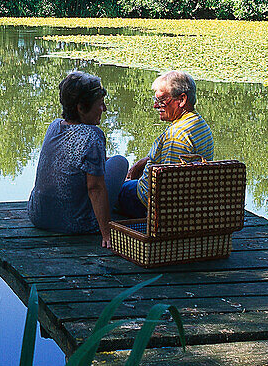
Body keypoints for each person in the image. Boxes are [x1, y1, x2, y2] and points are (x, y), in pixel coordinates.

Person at [27, 71, 127, 248]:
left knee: (105, 164)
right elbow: (95, 188)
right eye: (100, 104)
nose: (104, 109)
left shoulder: (54, 126)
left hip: (38, 215)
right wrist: (106, 233)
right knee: (119, 162)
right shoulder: (92, 135)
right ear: (81, 108)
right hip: (76, 224)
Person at [107, 70, 214, 218]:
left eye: (162, 100)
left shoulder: (176, 136)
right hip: (190, 200)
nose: (156, 106)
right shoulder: (200, 125)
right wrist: (143, 162)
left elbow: (167, 189)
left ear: (182, 99)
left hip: (145, 203)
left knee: (109, 185)